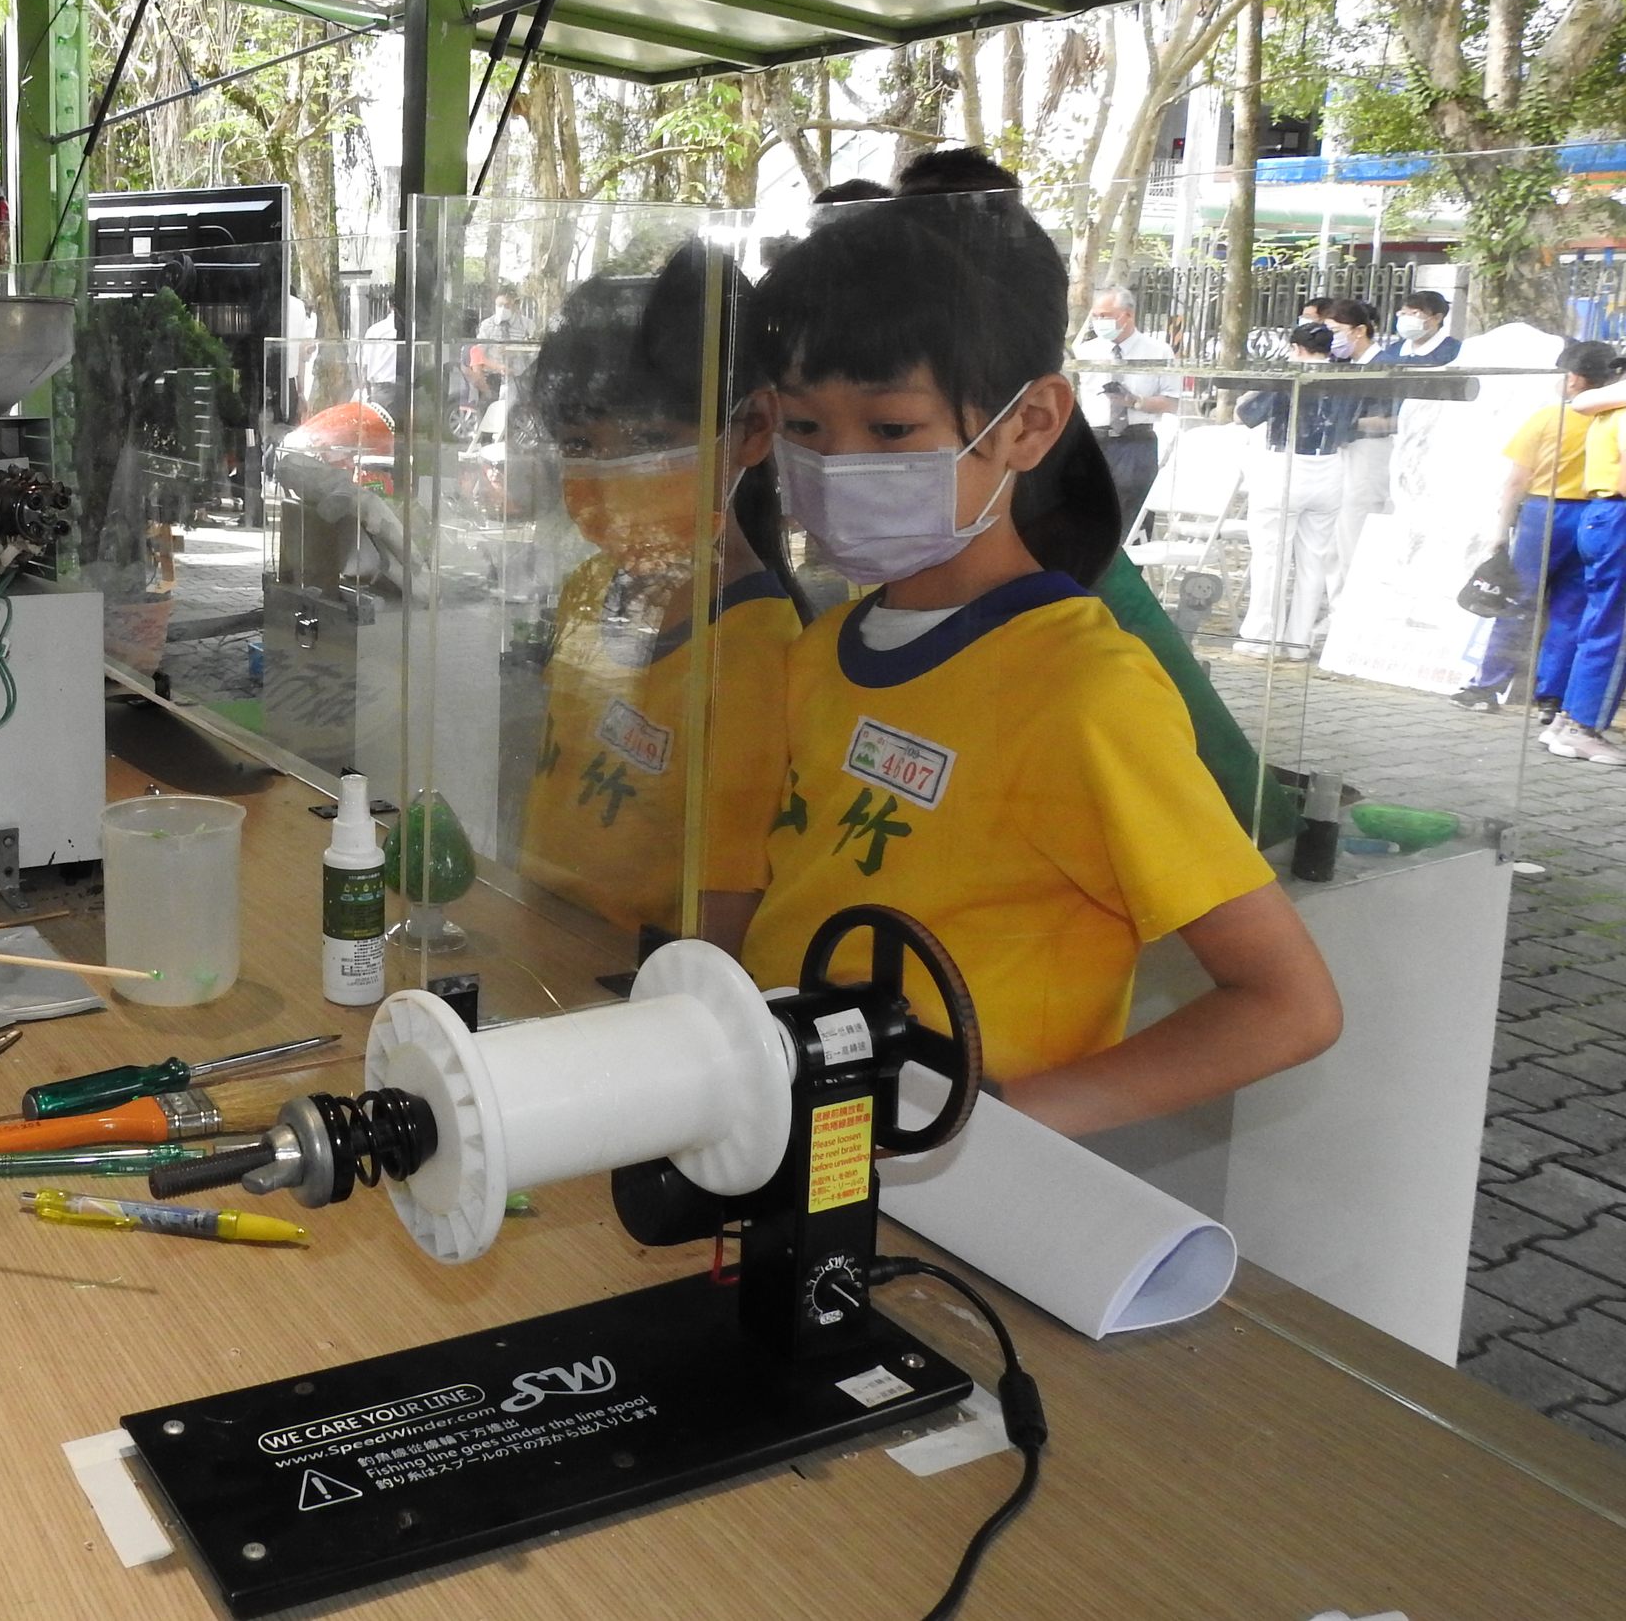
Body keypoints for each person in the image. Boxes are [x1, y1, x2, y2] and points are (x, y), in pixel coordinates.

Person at [731, 195, 1339, 1137]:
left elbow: (1286, 1003)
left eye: (890, 430)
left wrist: (989, 1128)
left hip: (937, 1174)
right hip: (787, 1121)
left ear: (1029, 424)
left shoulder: (1084, 691)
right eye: (806, 429)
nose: (837, 466)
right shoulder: (822, 652)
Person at [516, 243, 806, 949]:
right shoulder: (588, 588)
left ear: (753, 428)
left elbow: (721, 934)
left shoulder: (757, 655)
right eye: (582, 442)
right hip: (533, 952)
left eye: (648, 437)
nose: (611, 471)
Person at [1454, 341, 1618, 732]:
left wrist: (1499, 533)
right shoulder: (1611, 418)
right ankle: (1552, 698)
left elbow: (1515, 481)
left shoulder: (1547, 419)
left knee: (1518, 603)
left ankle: (1487, 687)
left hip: (1543, 513)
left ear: (1575, 380)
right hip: (1592, 514)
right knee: (1571, 610)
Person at [1233, 323, 1352, 659]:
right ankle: (1298, 642)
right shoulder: (1345, 379)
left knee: (1271, 557)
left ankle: (1261, 637)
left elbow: (1246, 415)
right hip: (1329, 468)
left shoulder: (1287, 376)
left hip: (1284, 467)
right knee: (1313, 560)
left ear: (1296, 348)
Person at [1546, 383, 1626, 762]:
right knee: (1616, 631)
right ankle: (1584, 727)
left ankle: (1567, 720)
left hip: (1600, 517)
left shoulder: (1606, 409)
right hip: (1619, 516)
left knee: (1597, 625)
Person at [1071, 283, 1181, 537]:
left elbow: (1172, 402)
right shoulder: (1085, 352)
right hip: (1095, 439)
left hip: (1136, 440)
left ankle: (1131, 570)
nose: (1099, 322)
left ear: (1127, 315)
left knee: (1133, 515)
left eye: (1105, 316)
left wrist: (1135, 401)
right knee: (1090, 512)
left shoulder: (1157, 351)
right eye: (1095, 316)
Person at [1320, 298, 1394, 598]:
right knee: (1335, 539)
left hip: (1369, 454)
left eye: (1335, 330)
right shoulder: (1343, 365)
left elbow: (1392, 418)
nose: (1330, 338)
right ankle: (1337, 603)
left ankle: (1355, 604)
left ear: (1358, 330)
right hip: (1343, 453)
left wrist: (1352, 423)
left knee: (1357, 533)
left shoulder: (1384, 366)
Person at [1384, 289, 1461, 366]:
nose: (1406, 318)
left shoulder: (1456, 351)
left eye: (1414, 313)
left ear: (1437, 318)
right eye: (1403, 313)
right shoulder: (1393, 350)